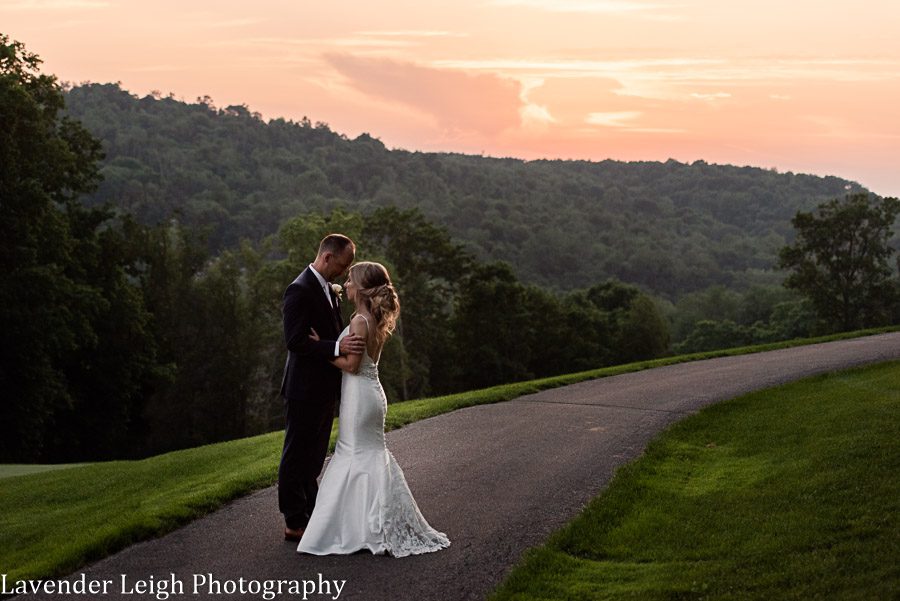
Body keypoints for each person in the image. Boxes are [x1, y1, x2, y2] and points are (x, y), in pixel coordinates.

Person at [297, 261, 450, 557]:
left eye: (350, 281)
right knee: (369, 453)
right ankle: (370, 524)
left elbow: (351, 366)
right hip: (372, 393)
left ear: (362, 288)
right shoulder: (374, 318)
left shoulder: (359, 321)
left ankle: (356, 529)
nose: (346, 285)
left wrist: (320, 349)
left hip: (359, 396)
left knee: (354, 453)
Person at [279, 234, 366, 542]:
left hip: (325, 388)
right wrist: (336, 347)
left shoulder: (329, 289)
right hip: (303, 389)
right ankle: (294, 521)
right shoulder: (299, 289)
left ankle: (312, 513)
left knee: (314, 456)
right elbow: (295, 341)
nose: (344, 272)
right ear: (328, 257)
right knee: (296, 455)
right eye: (342, 265)